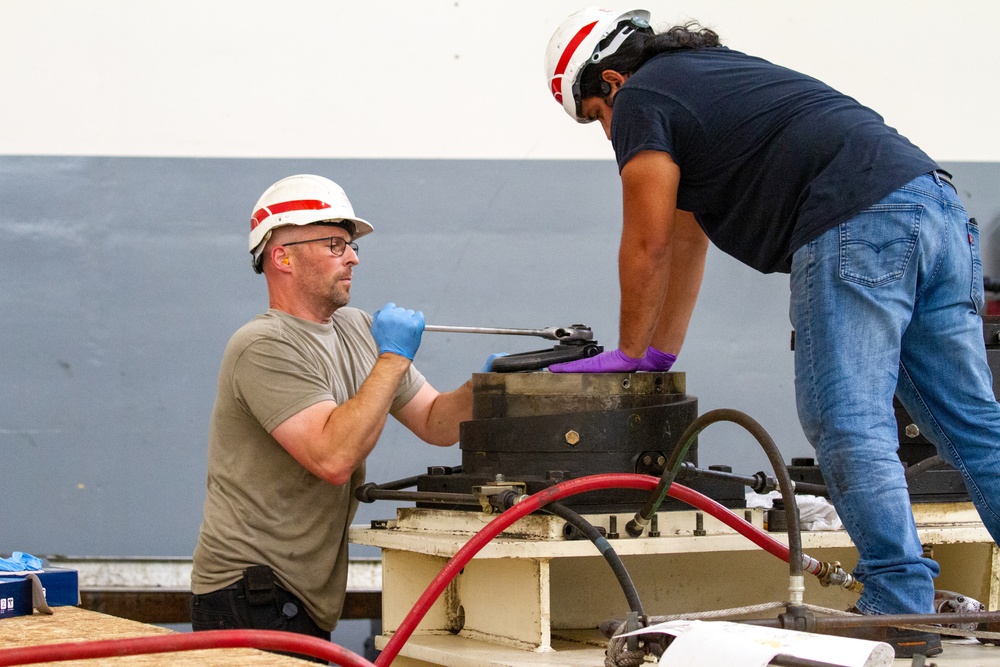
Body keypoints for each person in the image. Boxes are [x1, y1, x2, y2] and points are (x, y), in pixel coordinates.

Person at [543, 8, 1000, 658]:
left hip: (857, 220)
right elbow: (685, 236)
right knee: (973, 425)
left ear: (609, 81)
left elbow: (644, 245)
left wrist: (623, 354)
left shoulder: (642, 98)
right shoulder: (704, 81)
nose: (605, 132)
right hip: (935, 208)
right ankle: (903, 600)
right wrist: (656, 354)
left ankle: (898, 603)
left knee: (849, 423)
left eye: (594, 116)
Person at [190, 174, 481, 660]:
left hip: (301, 596)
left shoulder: (358, 328)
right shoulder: (262, 346)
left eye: (349, 244)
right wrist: (391, 359)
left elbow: (435, 422)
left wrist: (489, 388)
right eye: (335, 243)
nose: (353, 257)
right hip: (248, 595)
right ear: (282, 256)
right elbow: (332, 457)